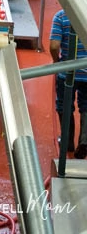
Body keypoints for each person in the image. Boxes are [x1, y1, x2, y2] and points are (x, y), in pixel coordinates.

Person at [49, 9, 87, 159]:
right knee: (86, 105)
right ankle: (84, 140)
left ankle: (67, 141)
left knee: (64, 105)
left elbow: (53, 46)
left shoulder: (61, 16)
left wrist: (57, 62)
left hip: (67, 71)